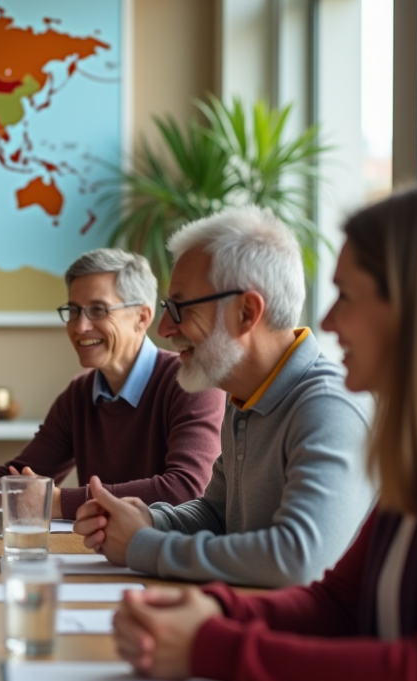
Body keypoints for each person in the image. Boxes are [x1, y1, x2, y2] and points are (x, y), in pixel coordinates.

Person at [112, 184, 417, 681]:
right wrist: (216, 609)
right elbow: (337, 604)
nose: (326, 322)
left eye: (347, 297)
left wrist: (215, 647)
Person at [74, 206, 372, 588]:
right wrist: (150, 520)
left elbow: (299, 559)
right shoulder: (245, 395)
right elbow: (218, 515)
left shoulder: (329, 406)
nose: (164, 328)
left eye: (179, 307)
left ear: (246, 312)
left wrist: (142, 544)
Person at [0, 248, 224, 519]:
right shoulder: (80, 393)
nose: (80, 326)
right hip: (103, 556)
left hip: (166, 563)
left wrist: (57, 503)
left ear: (142, 317)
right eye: (73, 311)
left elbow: (187, 489)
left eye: (98, 310)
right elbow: (25, 471)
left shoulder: (192, 382)